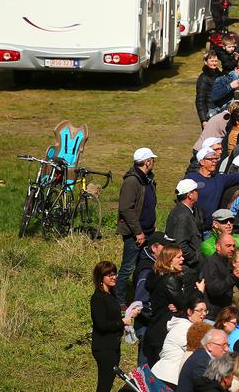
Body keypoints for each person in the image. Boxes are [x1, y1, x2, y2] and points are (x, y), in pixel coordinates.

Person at [116, 147, 158, 304]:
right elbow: (126, 209)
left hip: (147, 231)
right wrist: (138, 232)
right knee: (127, 268)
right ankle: (119, 301)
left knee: (143, 266)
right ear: (147, 162)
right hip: (135, 234)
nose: (153, 162)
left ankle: (139, 296)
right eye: (152, 160)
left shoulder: (147, 179)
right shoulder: (131, 181)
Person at [90, 260, 130, 392]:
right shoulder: (98, 298)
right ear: (101, 278)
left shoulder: (111, 295)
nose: (114, 277)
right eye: (109, 275)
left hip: (113, 346)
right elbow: (101, 325)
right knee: (104, 385)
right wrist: (122, 322)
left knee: (107, 383)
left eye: (115, 274)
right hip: (104, 347)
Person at [151, 296, 208, 386]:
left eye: (205, 310)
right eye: (200, 310)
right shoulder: (185, 328)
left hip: (169, 377)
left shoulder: (186, 326)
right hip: (167, 378)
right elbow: (198, 352)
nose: (204, 313)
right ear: (189, 311)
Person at [176, 328, 228, 392]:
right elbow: (208, 388)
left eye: (227, 345)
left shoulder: (203, 357)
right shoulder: (202, 362)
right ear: (209, 346)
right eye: (223, 345)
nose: (226, 349)